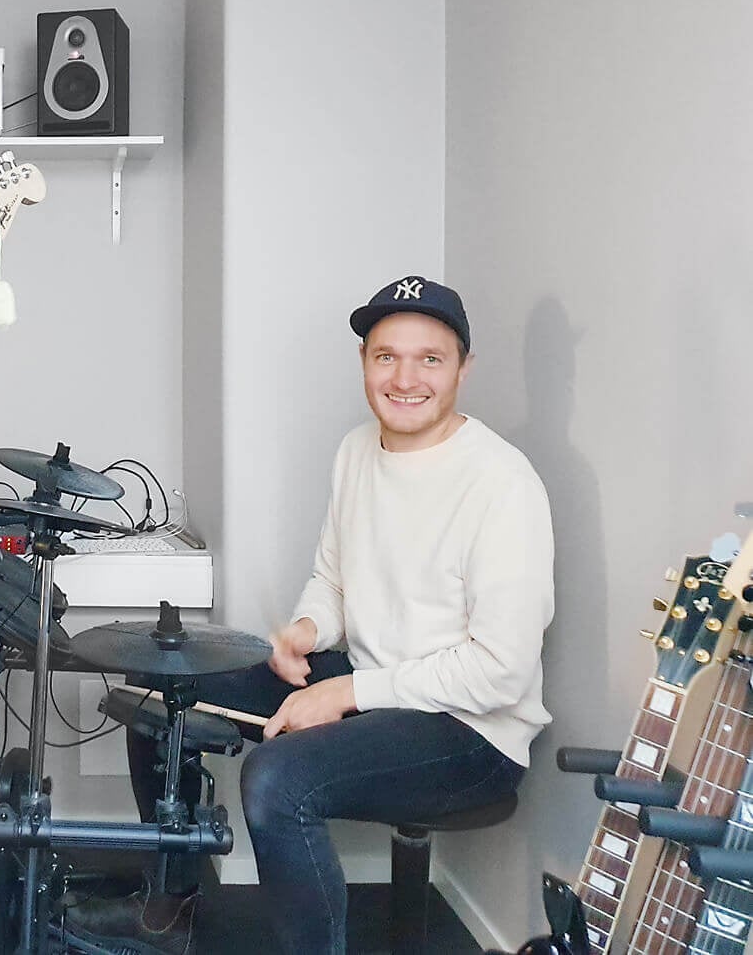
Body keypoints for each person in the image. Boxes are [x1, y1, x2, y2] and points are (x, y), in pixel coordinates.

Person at [68, 276, 553, 955]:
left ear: (463, 368)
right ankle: (169, 908)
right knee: (160, 680)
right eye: (386, 356)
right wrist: (307, 630)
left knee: (277, 778)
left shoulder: (504, 484)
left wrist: (346, 691)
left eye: (430, 359)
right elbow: (333, 581)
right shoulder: (357, 451)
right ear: (363, 362)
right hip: (375, 683)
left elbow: (501, 671)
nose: (405, 378)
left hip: (472, 733)